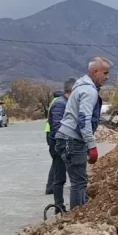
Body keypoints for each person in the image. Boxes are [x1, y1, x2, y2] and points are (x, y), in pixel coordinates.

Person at [56, 57, 111, 210]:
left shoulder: (81, 86)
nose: (107, 77)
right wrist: (91, 145)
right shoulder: (89, 91)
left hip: (66, 138)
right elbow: (83, 120)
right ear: (95, 71)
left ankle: (79, 213)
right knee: (79, 182)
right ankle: (76, 220)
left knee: (78, 180)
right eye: (105, 73)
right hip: (72, 140)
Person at [45, 79, 75, 209]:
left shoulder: (66, 103)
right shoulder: (60, 104)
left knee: (64, 176)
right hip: (58, 145)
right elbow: (57, 127)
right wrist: (63, 145)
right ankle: (59, 207)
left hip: (62, 144)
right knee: (59, 177)